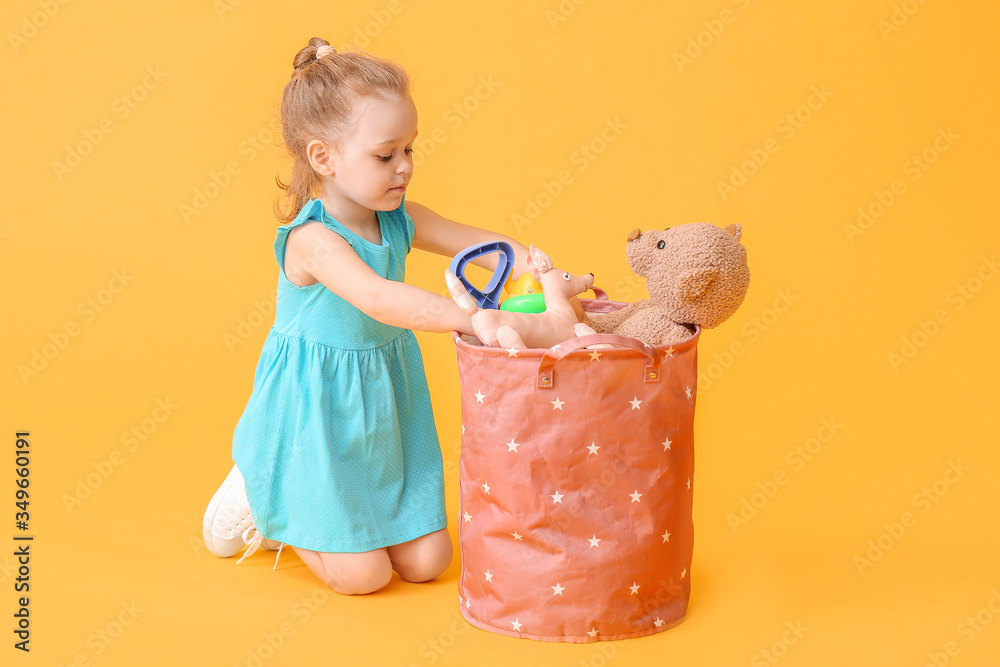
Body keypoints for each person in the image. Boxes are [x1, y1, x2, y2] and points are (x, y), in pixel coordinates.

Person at [202, 37, 529, 596]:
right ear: (323, 158)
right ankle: (264, 488)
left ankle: (348, 516)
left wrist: (540, 267)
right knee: (364, 577)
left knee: (428, 562)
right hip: (315, 408)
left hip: (381, 400)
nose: (404, 168)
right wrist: (470, 319)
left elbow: (484, 245)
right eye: (385, 155)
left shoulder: (399, 217)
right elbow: (378, 298)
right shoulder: (312, 240)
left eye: (410, 150)